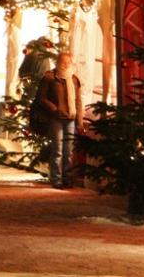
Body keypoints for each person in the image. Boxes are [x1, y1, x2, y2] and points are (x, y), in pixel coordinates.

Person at [34, 51, 83, 189]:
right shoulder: (49, 78)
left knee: (69, 151)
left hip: (71, 118)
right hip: (56, 118)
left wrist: (79, 120)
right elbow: (41, 98)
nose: (66, 65)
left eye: (68, 62)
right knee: (58, 149)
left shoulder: (74, 79)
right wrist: (54, 109)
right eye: (63, 62)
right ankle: (56, 179)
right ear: (58, 62)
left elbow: (78, 101)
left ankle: (67, 178)